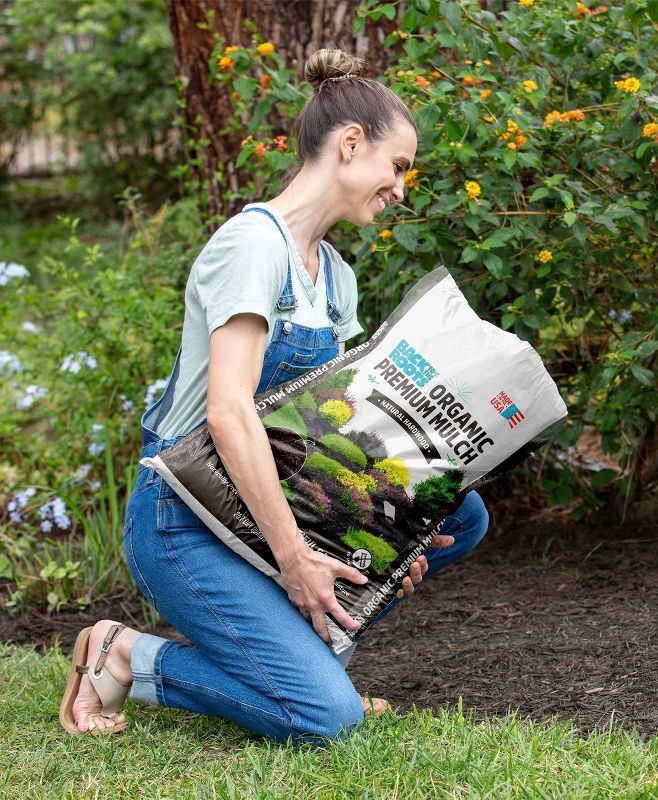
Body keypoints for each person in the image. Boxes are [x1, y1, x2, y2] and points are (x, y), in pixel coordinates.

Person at [59, 47, 489, 745]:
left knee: (458, 515)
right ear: (351, 144)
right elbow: (228, 412)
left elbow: (343, 428)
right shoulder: (252, 248)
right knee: (324, 717)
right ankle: (128, 655)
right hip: (184, 518)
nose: (401, 189)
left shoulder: (337, 278)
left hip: (268, 501)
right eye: (399, 165)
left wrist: (394, 539)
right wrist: (293, 557)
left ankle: (301, 662)